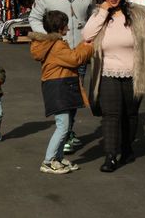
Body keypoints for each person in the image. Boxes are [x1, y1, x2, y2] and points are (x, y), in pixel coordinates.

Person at [82, 0, 145, 173]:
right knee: (111, 115)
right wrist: (103, 11)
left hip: (134, 72)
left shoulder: (138, 14)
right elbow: (87, 35)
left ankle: (127, 148)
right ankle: (110, 155)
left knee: (130, 114)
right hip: (107, 72)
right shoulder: (99, 14)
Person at [28, 0, 95, 153]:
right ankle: (64, 134)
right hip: (58, 53)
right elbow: (34, 17)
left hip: (80, 51)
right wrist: (50, 38)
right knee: (62, 95)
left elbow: (93, 15)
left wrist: (90, 37)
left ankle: (69, 131)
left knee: (74, 95)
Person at [30, 10, 93, 174]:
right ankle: (48, 161)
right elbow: (75, 59)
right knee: (63, 126)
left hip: (60, 85)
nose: (68, 28)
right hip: (59, 86)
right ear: (60, 27)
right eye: (66, 24)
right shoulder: (57, 45)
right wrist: (87, 47)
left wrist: (81, 46)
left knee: (65, 124)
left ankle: (57, 158)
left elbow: (71, 56)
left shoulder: (52, 44)